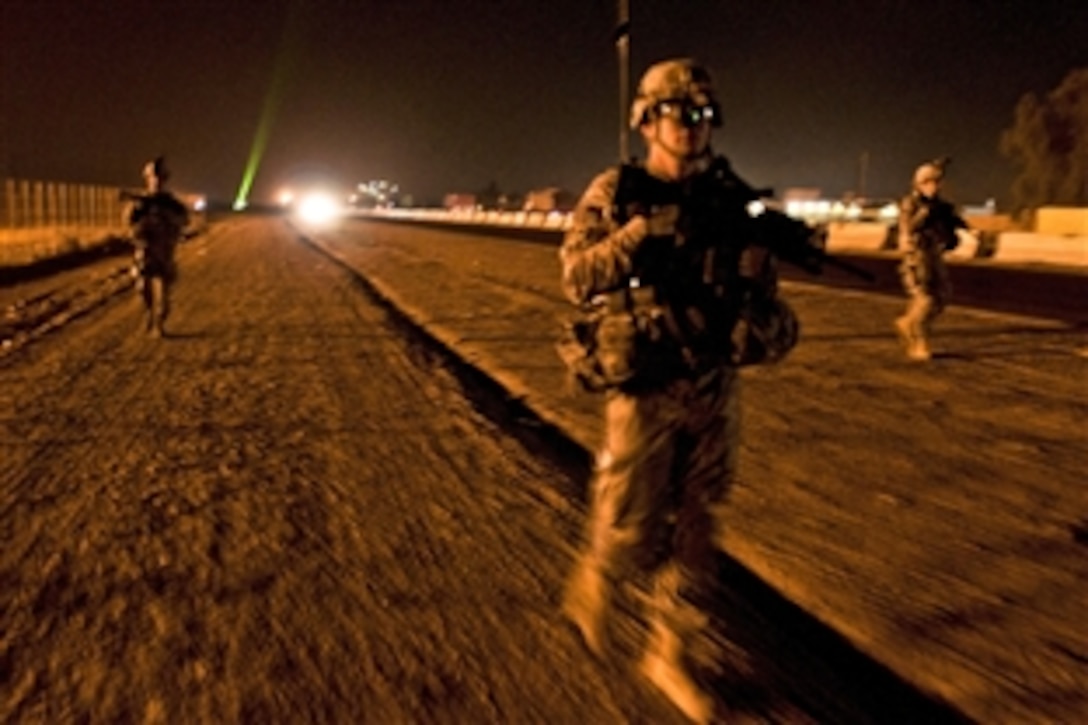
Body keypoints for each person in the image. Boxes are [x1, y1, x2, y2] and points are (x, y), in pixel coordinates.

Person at [556, 58, 801, 723]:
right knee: (630, 521)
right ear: (647, 121)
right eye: (677, 114)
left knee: (700, 522)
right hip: (645, 381)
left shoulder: (733, 198)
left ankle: (671, 649)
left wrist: (767, 327)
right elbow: (576, 275)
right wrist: (635, 238)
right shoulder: (617, 190)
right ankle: (598, 578)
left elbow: (769, 300)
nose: (691, 127)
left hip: (712, 385)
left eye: (700, 116)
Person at [894, 160, 968, 360]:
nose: (933, 186)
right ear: (919, 184)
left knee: (943, 296)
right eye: (928, 182)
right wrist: (925, 213)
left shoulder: (940, 206)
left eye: (936, 182)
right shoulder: (911, 204)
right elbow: (908, 227)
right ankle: (918, 340)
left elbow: (951, 224)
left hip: (934, 254)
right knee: (926, 298)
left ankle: (908, 322)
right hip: (916, 255)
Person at [127, 156, 189, 337]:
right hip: (146, 249)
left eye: (160, 178)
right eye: (153, 177)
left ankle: (159, 323)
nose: (156, 181)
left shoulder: (171, 202)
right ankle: (149, 315)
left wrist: (170, 222)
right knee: (143, 287)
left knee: (163, 290)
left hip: (164, 249)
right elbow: (131, 223)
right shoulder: (141, 203)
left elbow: (184, 219)